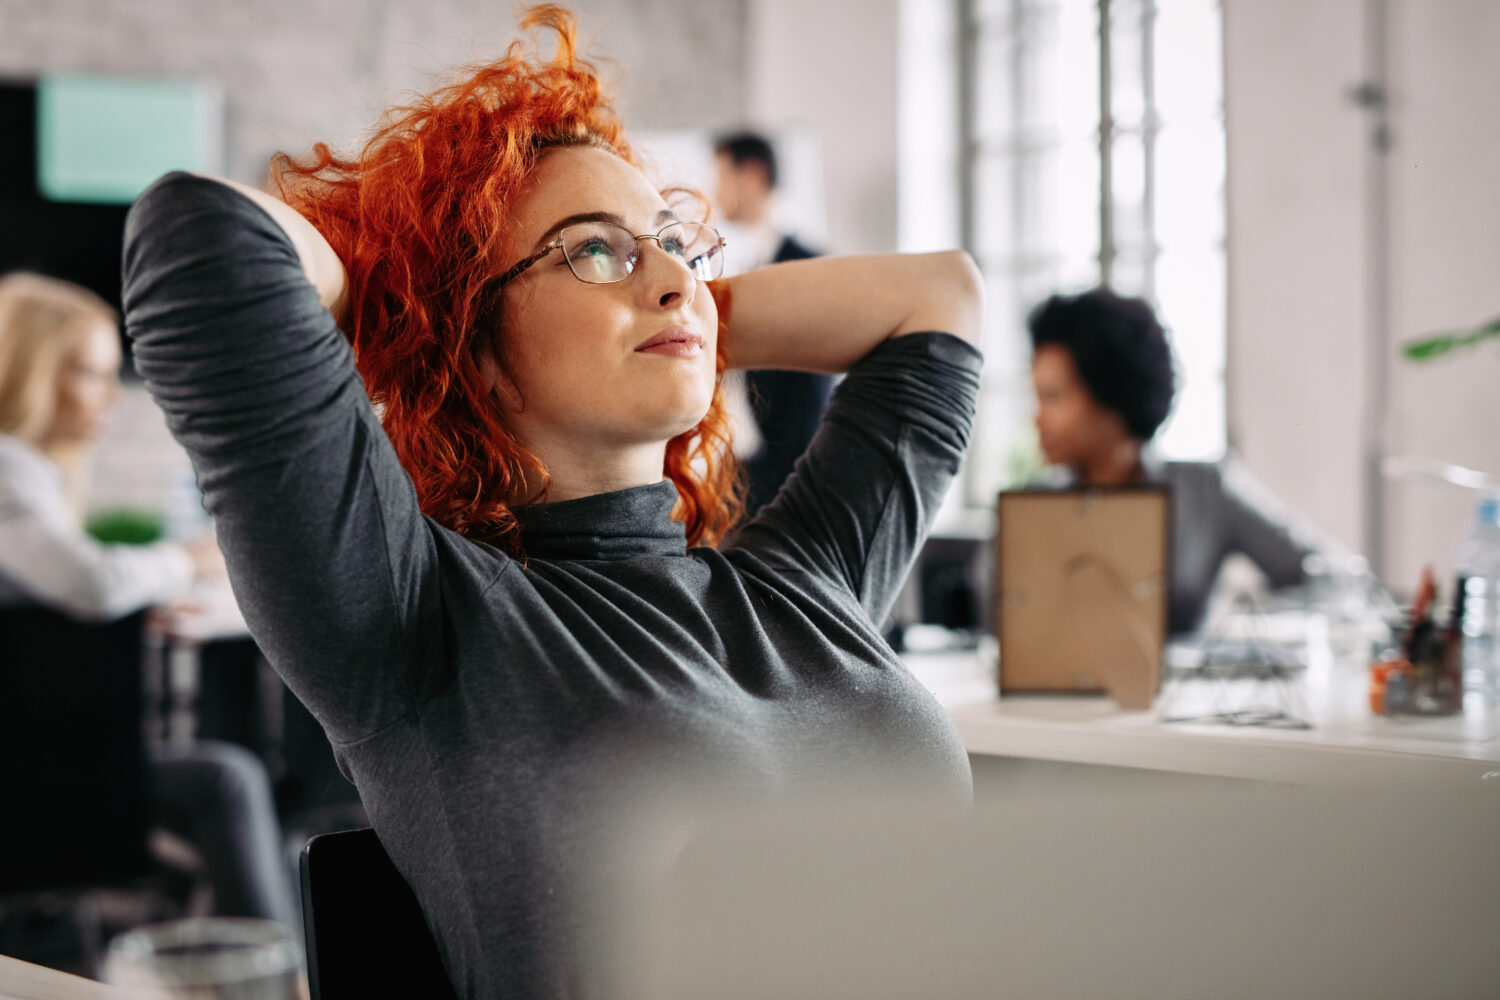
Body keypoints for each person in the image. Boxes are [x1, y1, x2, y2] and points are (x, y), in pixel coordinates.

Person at [120, 7, 983, 996]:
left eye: (677, 243)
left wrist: (680, 311)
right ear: (473, 353)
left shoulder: (801, 580)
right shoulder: (420, 624)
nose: (673, 276)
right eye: (595, 250)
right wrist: (417, 305)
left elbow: (940, 297)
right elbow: (197, 230)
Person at [0, 271, 299, 932]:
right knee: (228, 778)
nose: (110, 395)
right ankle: (274, 970)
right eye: (87, 373)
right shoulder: (6, 472)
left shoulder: (31, 476)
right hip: (29, 774)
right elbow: (93, 584)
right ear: (29, 370)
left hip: (37, 755)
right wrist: (191, 557)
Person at [1027, 286, 1315, 634]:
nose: (1037, 418)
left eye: (1053, 397)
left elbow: (1319, 572)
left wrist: (1253, 629)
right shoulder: (1029, 508)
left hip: (1190, 687)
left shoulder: (1205, 491)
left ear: (1110, 396)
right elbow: (996, 615)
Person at [713, 131, 835, 516]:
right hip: (743, 471)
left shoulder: (805, 264)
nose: (715, 192)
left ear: (751, 176)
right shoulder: (744, 260)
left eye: (721, 178)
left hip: (785, 484)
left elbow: (810, 391)